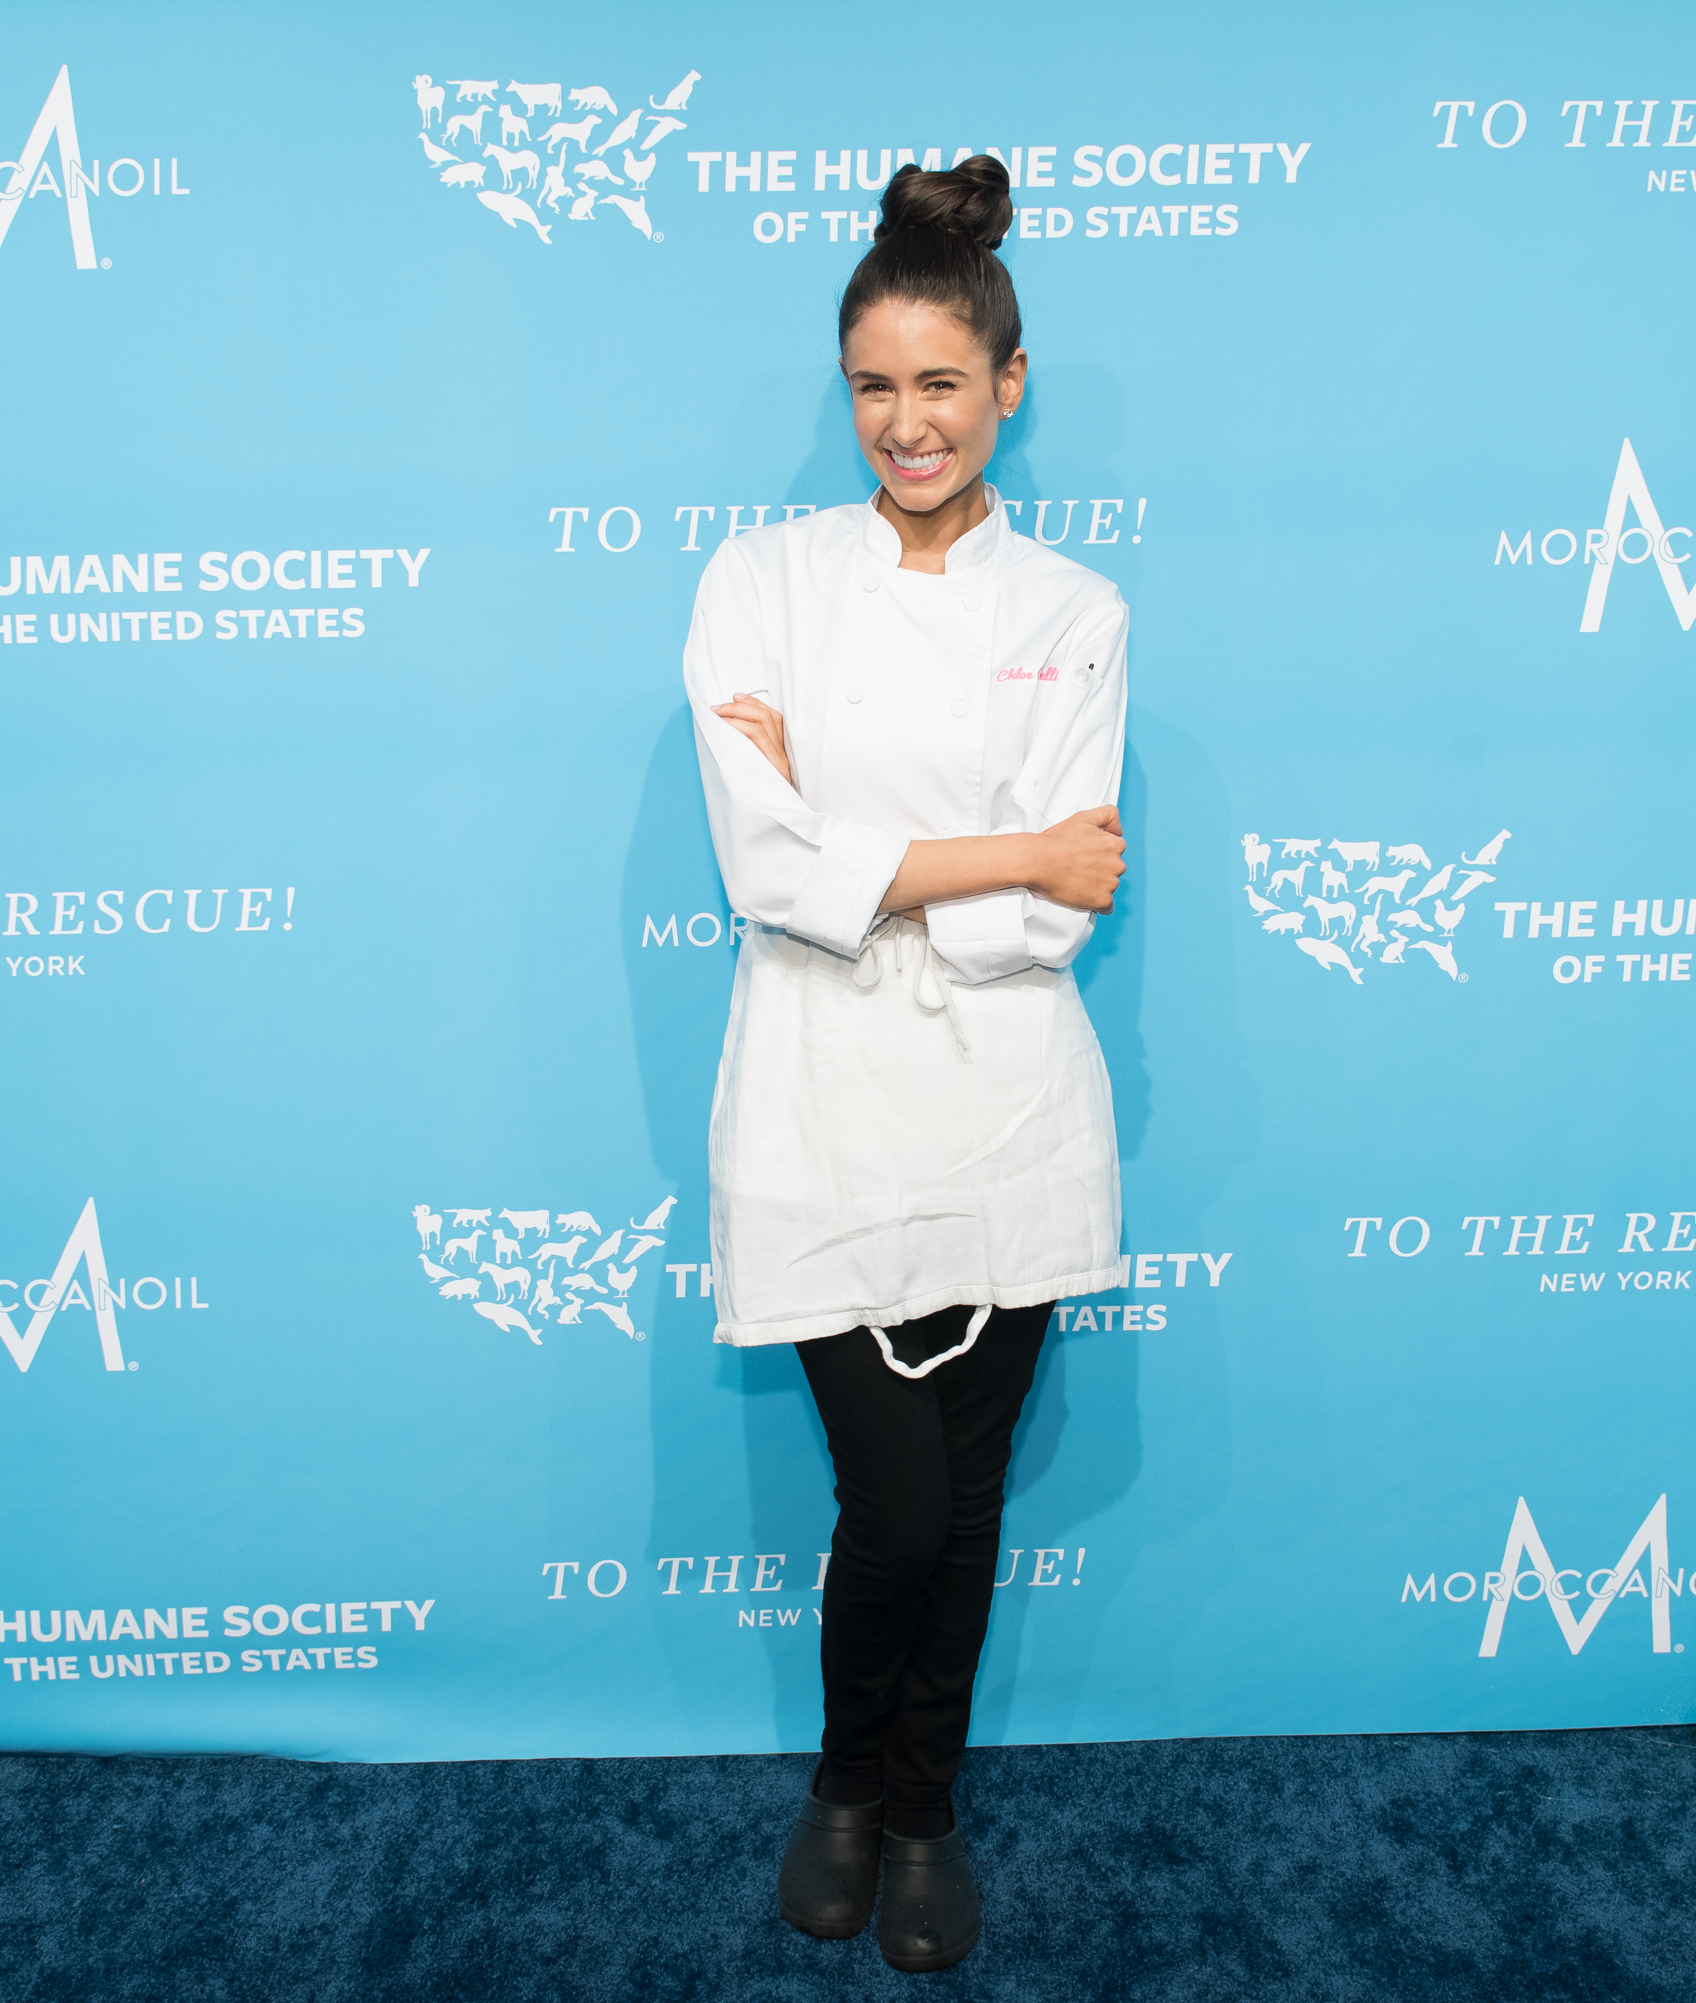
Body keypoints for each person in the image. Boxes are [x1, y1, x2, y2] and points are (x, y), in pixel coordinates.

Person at [680, 154, 1131, 1974]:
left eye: (943, 383)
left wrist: (915, 866)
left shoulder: (1076, 613)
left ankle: (918, 1810)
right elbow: (768, 874)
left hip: (1015, 1106)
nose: (909, 421)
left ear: (1007, 386)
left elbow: (1063, 913)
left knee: (972, 1505)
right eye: (875, 386)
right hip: (817, 1105)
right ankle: (840, 1787)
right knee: (903, 1503)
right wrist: (1007, 846)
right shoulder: (759, 578)